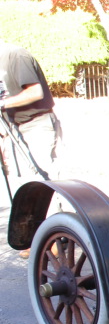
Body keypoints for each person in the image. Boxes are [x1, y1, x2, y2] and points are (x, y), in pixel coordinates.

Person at [0, 41, 62, 258]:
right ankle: (35, 237)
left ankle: (55, 237)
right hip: (14, 126)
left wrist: (3, 105)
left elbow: (35, 92)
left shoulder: (15, 56)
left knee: (43, 180)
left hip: (36, 123)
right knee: (24, 183)